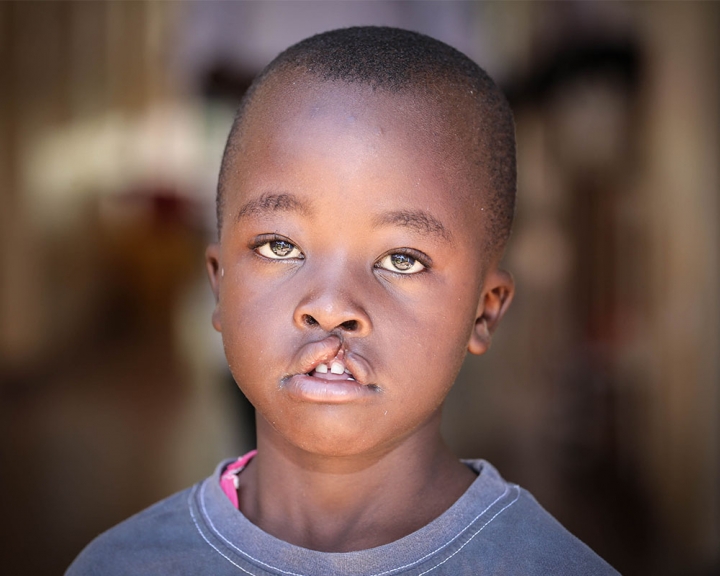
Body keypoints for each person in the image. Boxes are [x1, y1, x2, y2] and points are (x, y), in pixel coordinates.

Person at [67, 27, 618, 575]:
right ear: (220, 283)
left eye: (402, 259)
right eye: (279, 246)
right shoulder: (119, 566)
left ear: (485, 309)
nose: (331, 306)